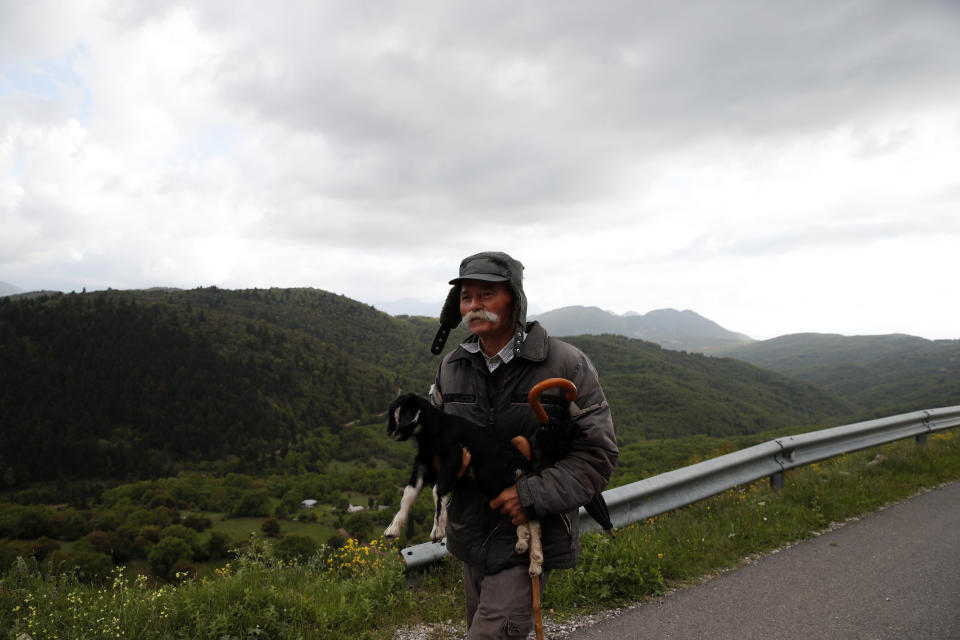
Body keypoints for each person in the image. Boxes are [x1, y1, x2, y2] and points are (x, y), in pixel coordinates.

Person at [429, 251, 619, 639]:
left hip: (528, 539)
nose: (474, 305)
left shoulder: (566, 364)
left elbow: (596, 456)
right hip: (470, 537)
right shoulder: (452, 367)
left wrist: (527, 494)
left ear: (514, 298)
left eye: (487, 294)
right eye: (466, 297)